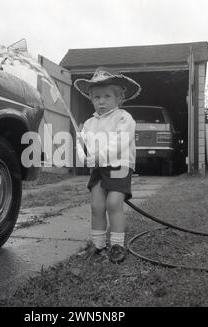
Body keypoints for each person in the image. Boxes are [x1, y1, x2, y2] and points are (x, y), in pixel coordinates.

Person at [74, 67, 141, 264]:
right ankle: (97, 245)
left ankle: (117, 245)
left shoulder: (123, 118)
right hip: (98, 168)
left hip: (119, 165)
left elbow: (120, 142)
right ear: (91, 99)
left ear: (119, 98)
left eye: (107, 96)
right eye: (96, 97)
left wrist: (100, 157)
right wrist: (84, 157)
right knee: (97, 205)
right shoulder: (88, 123)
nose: (101, 101)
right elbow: (82, 145)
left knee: (113, 203)